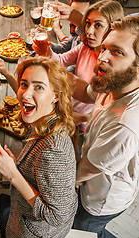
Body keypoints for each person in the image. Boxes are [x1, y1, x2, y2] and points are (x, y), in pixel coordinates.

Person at [0, 57, 78, 238]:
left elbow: (56, 216)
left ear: (56, 95)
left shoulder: (54, 150)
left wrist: (13, 174)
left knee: (0, 205)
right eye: (24, 84)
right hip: (23, 215)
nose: (25, 94)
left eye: (38, 87)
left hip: (33, 232)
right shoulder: (45, 120)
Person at [71, 16, 139, 238]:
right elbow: (84, 92)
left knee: (82, 232)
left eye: (117, 52)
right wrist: (45, 69)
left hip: (99, 200)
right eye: (104, 48)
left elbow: (84, 171)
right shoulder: (114, 80)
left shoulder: (126, 123)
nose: (102, 58)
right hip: (92, 171)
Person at [33, 0, 124, 152]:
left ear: (112, 29)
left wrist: (82, 119)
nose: (89, 31)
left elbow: (103, 105)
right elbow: (61, 60)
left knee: (73, 156)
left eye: (98, 25)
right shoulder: (85, 46)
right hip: (69, 111)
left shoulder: (109, 66)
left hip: (84, 124)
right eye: (88, 23)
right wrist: (47, 52)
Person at [51, 0, 92, 73]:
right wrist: (44, 44)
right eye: (71, 17)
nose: (73, 21)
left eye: (77, 16)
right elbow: (62, 48)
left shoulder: (89, 43)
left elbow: (68, 72)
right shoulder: (76, 34)